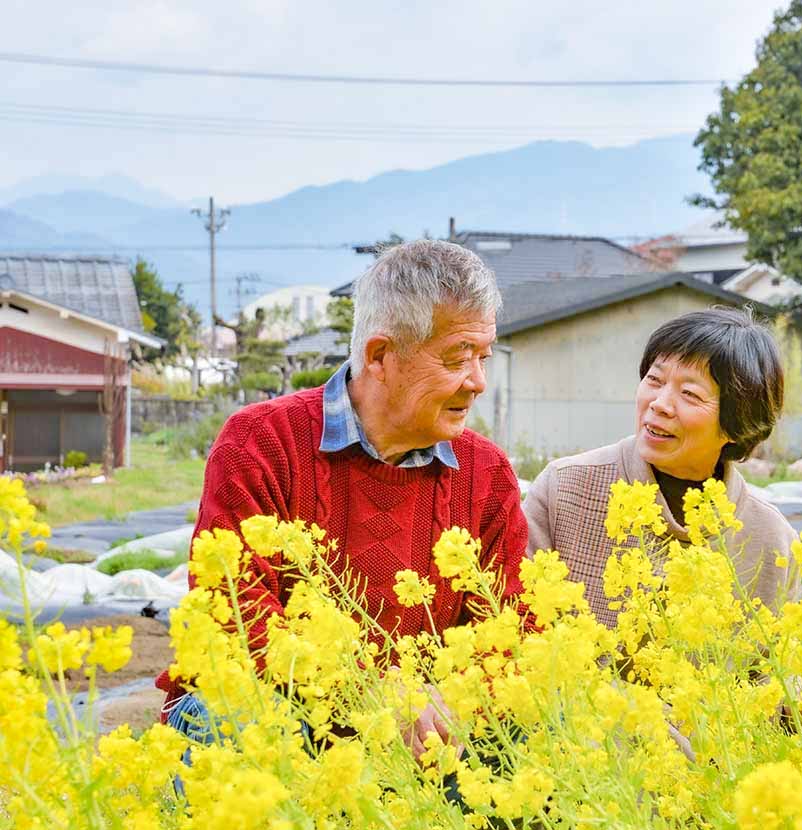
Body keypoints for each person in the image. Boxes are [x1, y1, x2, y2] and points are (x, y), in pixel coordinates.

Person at [156, 240, 528, 760]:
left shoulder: (488, 474)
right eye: (456, 360)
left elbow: (510, 627)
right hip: (284, 708)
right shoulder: (261, 443)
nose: (479, 382)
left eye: (483, 358)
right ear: (379, 356)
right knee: (229, 718)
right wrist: (368, 690)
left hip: (426, 731)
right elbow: (233, 611)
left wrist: (449, 702)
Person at [523, 307, 797, 629]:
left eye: (689, 393)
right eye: (654, 379)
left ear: (737, 425)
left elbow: (774, 673)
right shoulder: (564, 489)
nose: (660, 403)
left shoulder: (772, 540)